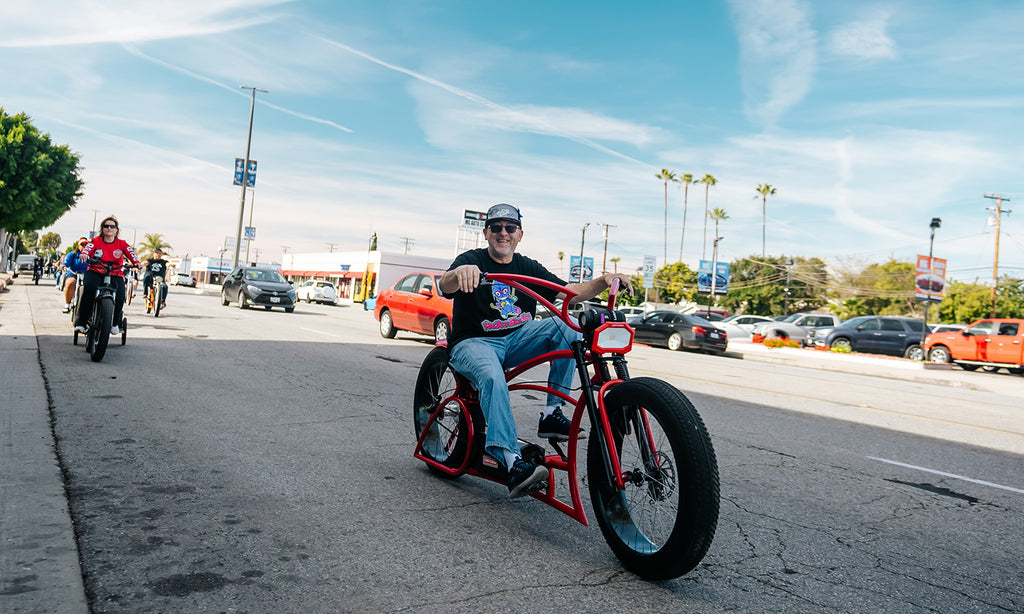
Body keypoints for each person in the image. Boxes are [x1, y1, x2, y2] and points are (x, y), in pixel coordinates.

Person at [438, 203, 633, 499]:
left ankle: (552, 413)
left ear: (519, 234)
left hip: (517, 338)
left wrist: (604, 280)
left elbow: (571, 292)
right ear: (486, 232)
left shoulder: (527, 266)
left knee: (570, 328)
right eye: (497, 227)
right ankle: (512, 462)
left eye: (510, 228)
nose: (503, 233)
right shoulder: (471, 260)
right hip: (474, 342)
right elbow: (445, 284)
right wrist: (460, 273)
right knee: (492, 377)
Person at [74, 216, 142, 335]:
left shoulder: (122, 244)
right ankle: (81, 322)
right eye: (106, 226)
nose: (109, 228)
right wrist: (84, 254)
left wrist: (137, 263)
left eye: (112, 226)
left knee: (121, 296)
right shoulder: (95, 241)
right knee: (88, 290)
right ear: (102, 229)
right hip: (95, 271)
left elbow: (132, 254)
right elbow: (87, 249)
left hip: (115, 273)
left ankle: (115, 323)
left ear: (117, 229)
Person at [61, 238, 90, 313]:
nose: (84, 246)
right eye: (82, 244)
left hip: (87, 274)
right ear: (79, 245)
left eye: (86, 245)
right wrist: (63, 266)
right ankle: (67, 304)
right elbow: (65, 262)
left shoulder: (92, 254)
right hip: (73, 273)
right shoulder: (72, 254)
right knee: (71, 282)